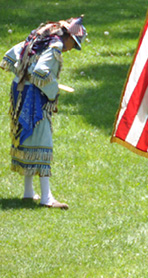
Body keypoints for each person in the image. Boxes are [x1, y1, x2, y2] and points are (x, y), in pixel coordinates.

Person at [3, 17, 86, 209]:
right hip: (34, 95)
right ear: (68, 37)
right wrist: (53, 89)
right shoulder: (55, 44)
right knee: (42, 141)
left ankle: (28, 192)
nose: (70, 49)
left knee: (26, 138)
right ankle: (46, 197)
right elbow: (41, 71)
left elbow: (11, 56)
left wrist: (22, 72)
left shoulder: (41, 35)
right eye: (73, 44)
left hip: (19, 89)